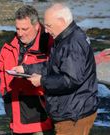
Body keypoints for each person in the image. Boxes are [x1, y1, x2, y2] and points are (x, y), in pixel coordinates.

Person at [28, 3, 99, 135]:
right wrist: (26, 69)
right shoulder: (64, 38)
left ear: (61, 21)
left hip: (74, 115)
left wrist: (42, 81)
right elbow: (53, 67)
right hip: (72, 110)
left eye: (48, 26)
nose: (47, 31)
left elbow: (70, 80)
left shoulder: (73, 43)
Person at [0, 5, 54, 134]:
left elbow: (58, 71)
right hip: (16, 115)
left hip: (41, 118)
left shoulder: (49, 43)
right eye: (17, 28)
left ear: (36, 26)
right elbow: (1, 71)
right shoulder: (8, 46)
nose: (20, 33)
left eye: (24, 29)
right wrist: (5, 95)